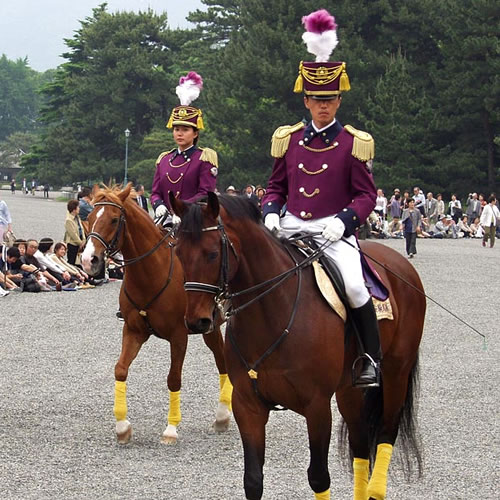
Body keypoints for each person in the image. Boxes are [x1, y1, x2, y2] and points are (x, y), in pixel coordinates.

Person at [262, 10, 380, 387]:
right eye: (317, 99)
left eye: (330, 99)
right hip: (292, 225)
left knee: (356, 287)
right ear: (307, 101)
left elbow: (366, 195)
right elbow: (275, 186)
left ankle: (369, 360)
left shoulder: (353, 143)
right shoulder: (290, 139)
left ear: (339, 101)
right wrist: (269, 213)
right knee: (252, 272)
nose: (323, 105)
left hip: (333, 231)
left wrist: (344, 221)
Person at [151, 71, 218, 224]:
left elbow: (205, 193)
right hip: (164, 219)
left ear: (195, 133)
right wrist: (158, 205)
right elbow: (155, 192)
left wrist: (183, 209)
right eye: (177, 129)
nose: (179, 134)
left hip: (194, 219)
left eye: (185, 130)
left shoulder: (204, 158)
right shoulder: (164, 159)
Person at [64, 199, 86, 266]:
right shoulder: (69, 220)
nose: (79, 209)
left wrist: (84, 240)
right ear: (74, 209)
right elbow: (73, 234)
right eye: (78, 207)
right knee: (72, 261)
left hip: (80, 243)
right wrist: (80, 243)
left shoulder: (77, 218)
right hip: (72, 244)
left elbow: (81, 229)